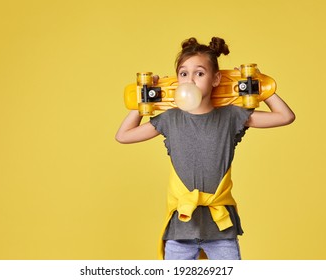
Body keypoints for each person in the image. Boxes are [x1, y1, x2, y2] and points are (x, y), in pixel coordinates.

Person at [115, 37, 295, 260]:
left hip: (220, 229)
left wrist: (260, 86)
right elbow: (123, 135)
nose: (190, 80)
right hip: (181, 228)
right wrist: (145, 96)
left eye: (199, 73)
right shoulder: (170, 119)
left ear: (216, 78)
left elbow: (285, 116)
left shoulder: (231, 116)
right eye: (183, 73)